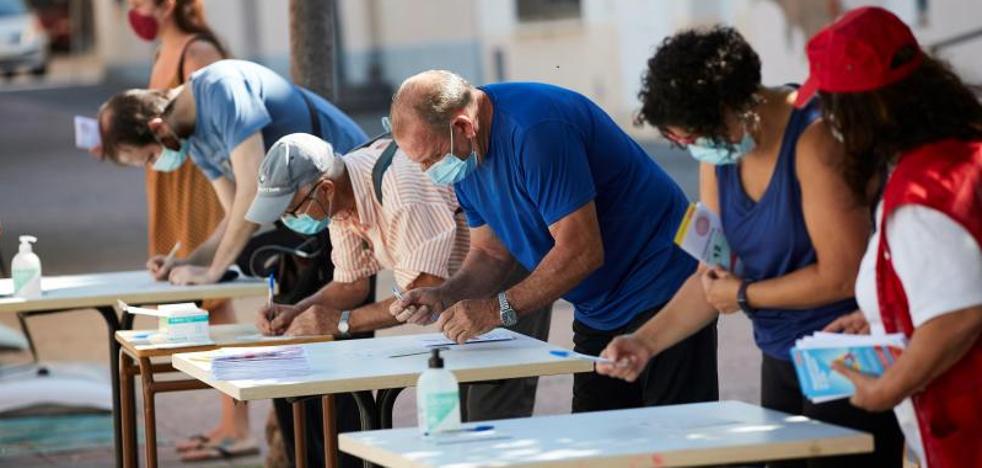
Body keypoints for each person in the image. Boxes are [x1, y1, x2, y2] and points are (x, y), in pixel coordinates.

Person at [596, 25, 904, 467]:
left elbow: (843, 273)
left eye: (691, 137)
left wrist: (744, 295)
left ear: (732, 109)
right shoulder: (718, 155)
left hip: (846, 356)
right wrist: (644, 342)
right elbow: (711, 279)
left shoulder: (815, 141)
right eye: (678, 142)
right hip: (780, 356)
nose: (690, 148)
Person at [388, 70, 718, 413]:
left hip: (663, 283)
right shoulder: (463, 153)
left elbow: (582, 252)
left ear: (462, 126)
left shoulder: (535, 130)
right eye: (421, 163)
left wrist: (496, 309)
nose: (430, 171)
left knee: (679, 432)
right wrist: (445, 294)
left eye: (432, 158)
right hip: (599, 307)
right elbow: (490, 252)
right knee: (601, 442)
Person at [246, 133, 551, 466]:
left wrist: (341, 322)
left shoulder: (402, 191)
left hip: (507, 267)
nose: (289, 221)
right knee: (457, 422)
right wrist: (297, 310)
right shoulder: (339, 202)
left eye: (292, 209)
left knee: (490, 416)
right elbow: (351, 285)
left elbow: (421, 298)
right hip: (462, 286)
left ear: (325, 189)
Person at [795, 7, 981, 467]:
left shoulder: (919, 193)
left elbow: (957, 317)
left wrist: (886, 390)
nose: (828, 123)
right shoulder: (961, 149)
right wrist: (881, 310)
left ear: (866, 109)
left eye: (832, 107)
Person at [98, 59, 367, 287]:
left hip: (344, 185)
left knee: (331, 313)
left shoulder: (222, 89)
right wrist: (189, 263)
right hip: (308, 204)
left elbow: (250, 195)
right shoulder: (193, 138)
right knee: (262, 270)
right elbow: (235, 215)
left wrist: (214, 271)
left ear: (158, 128)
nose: (156, 166)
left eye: (150, 157)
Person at [119, 1, 249, 460]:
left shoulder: (197, 52)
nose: (132, 9)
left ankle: (238, 425)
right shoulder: (162, 50)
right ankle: (226, 421)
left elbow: (222, 126)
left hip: (200, 184)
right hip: (169, 184)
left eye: (138, 1)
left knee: (214, 303)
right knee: (194, 301)